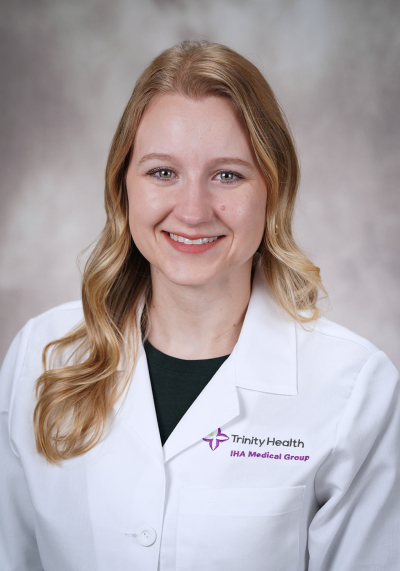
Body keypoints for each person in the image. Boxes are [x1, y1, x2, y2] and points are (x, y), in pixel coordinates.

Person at [0, 40, 399, 571]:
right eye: (162, 172)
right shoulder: (41, 357)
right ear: (123, 186)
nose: (192, 211)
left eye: (227, 175)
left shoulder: (354, 389)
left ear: (273, 190)